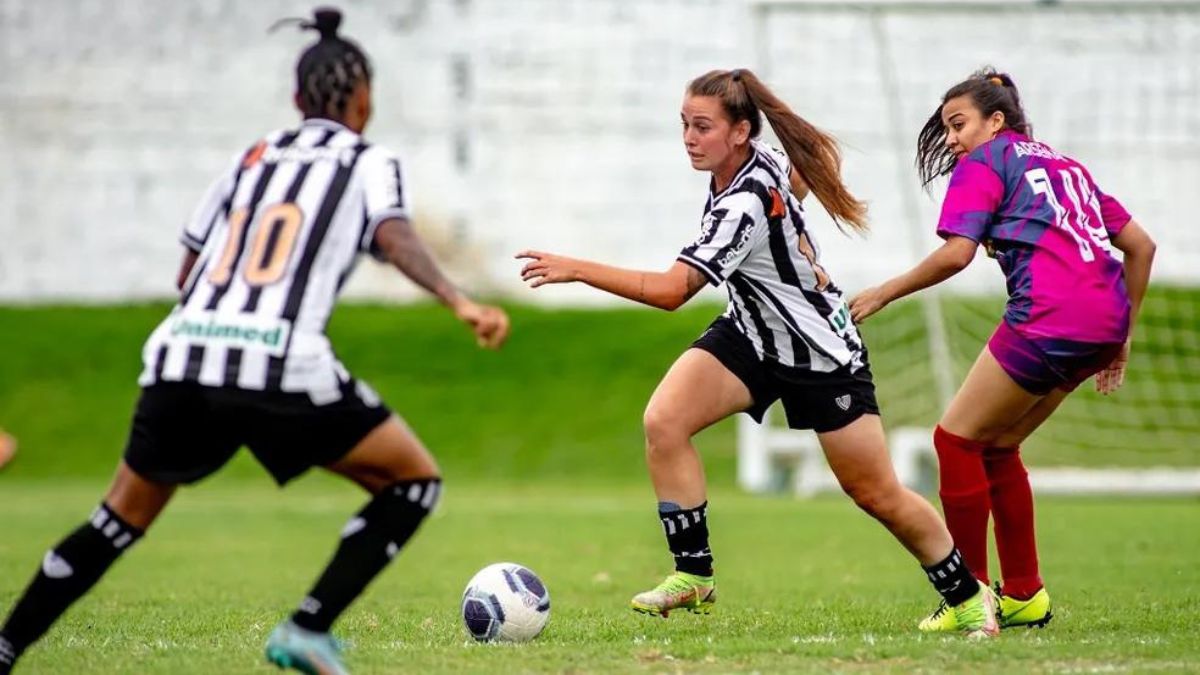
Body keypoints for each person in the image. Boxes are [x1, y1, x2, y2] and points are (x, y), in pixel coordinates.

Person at [0, 9, 509, 675]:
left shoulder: (252, 155)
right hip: (281, 359)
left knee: (114, 520)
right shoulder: (368, 159)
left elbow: (188, 267)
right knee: (413, 482)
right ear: (365, 100)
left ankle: (6, 646)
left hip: (181, 354)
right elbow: (392, 234)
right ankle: (307, 627)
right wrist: (459, 298)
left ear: (297, 100)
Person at [518, 68, 997, 637]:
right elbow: (813, 154)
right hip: (750, 334)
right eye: (684, 125)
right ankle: (693, 574)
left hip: (820, 353)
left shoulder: (741, 201)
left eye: (702, 127)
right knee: (665, 421)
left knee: (875, 492)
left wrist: (578, 268)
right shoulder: (753, 163)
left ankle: (968, 596)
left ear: (741, 131)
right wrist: (790, 217)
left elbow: (673, 292)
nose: (689, 139)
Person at [849, 68, 1156, 632]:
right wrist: (1123, 336)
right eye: (945, 129)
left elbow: (956, 255)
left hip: (1050, 317)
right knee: (1000, 444)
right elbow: (1140, 244)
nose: (952, 139)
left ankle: (970, 598)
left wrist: (884, 292)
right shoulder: (1064, 164)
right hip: (1103, 321)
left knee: (954, 440)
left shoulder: (984, 162)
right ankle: (1025, 594)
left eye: (958, 123)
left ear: (996, 121)